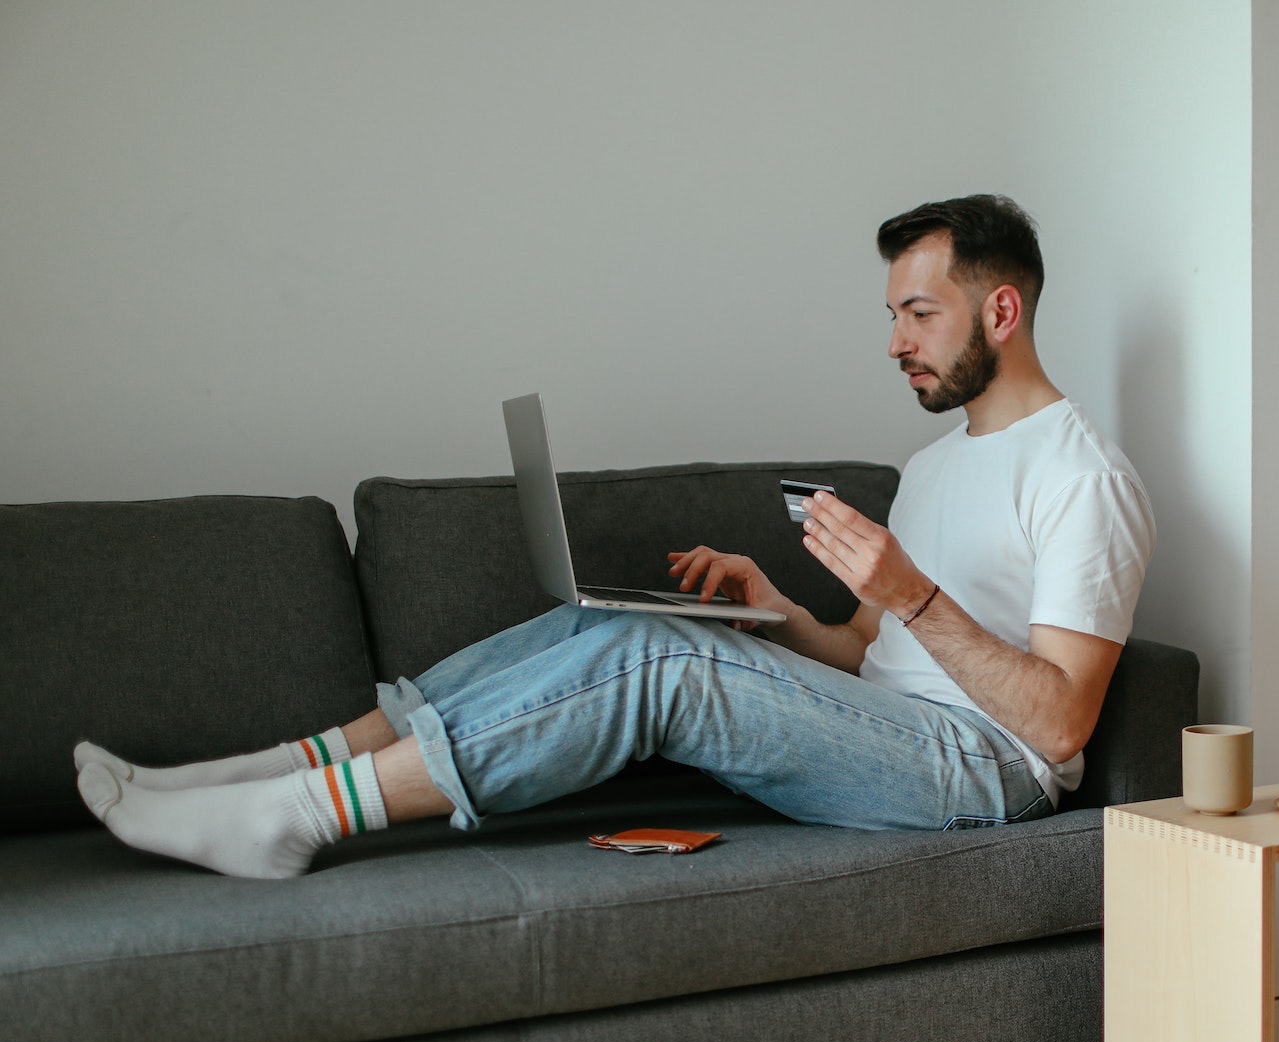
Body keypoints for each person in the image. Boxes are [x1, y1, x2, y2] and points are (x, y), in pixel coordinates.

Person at [73, 194, 1156, 878]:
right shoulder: (930, 467)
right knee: (600, 620)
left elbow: (1060, 723)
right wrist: (771, 613)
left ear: (1001, 313)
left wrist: (913, 593)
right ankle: (264, 769)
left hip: (981, 771)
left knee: (656, 663)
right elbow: (869, 656)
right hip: (890, 726)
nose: (894, 342)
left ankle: (298, 815)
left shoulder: (1084, 476)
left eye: (918, 315)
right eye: (892, 315)